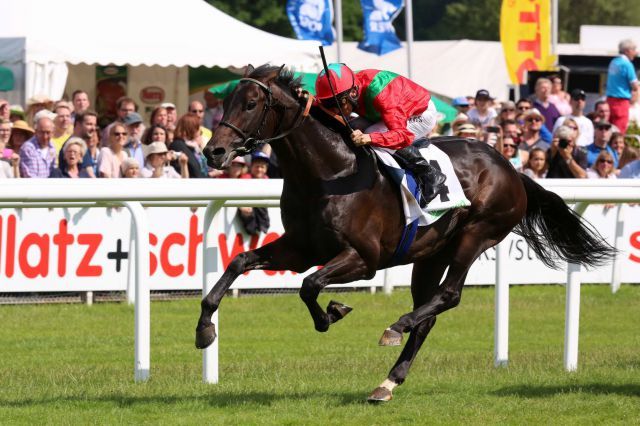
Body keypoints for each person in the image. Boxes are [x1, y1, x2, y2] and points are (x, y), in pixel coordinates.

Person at [314, 63, 446, 204]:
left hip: (421, 113)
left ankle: (430, 174)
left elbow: (402, 135)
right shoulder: (345, 88)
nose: (334, 109)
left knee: (370, 132)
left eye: (336, 103)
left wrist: (370, 138)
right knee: (351, 127)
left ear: (352, 93)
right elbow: (320, 103)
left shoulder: (382, 95)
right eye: (329, 104)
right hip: (382, 114)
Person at [606, 39, 638, 134]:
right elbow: (635, 86)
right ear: (627, 50)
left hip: (609, 100)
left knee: (608, 131)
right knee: (619, 133)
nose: (635, 52)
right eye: (634, 49)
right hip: (621, 102)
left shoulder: (613, 62)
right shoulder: (627, 64)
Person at [237, 151, 271, 235]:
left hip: (264, 227)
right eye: (257, 166)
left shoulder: (269, 181)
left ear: (266, 169)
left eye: (262, 167)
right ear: (251, 167)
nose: (259, 169)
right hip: (247, 221)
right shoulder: (244, 180)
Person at [169, 113, 206, 178]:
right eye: (198, 126)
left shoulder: (191, 145)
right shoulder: (178, 145)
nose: (200, 129)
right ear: (191, 127)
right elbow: (194, 172)